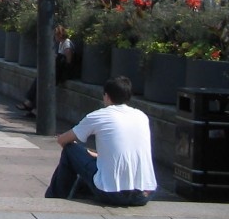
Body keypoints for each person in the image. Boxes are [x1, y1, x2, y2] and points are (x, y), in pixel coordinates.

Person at [45, 76, 157, 206]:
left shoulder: (99, 115)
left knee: (70, 150)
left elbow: (63, 140)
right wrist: (100, 156)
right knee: (93, 163)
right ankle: (80, 190)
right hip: (144, 195)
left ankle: (54, 197)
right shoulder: (141, 116)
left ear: (107, 96)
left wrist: (74, 146)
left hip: (112, 194)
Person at [18, 25, 74, 114]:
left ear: (59, 35)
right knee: (38, 80)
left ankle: (33, 106)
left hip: (60, 72)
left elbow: (68, 61)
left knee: (43, 84)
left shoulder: (67, 44)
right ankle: (30, 103)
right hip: (56, 70)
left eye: (55, 35)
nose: (54, 38)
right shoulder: (61, 43)